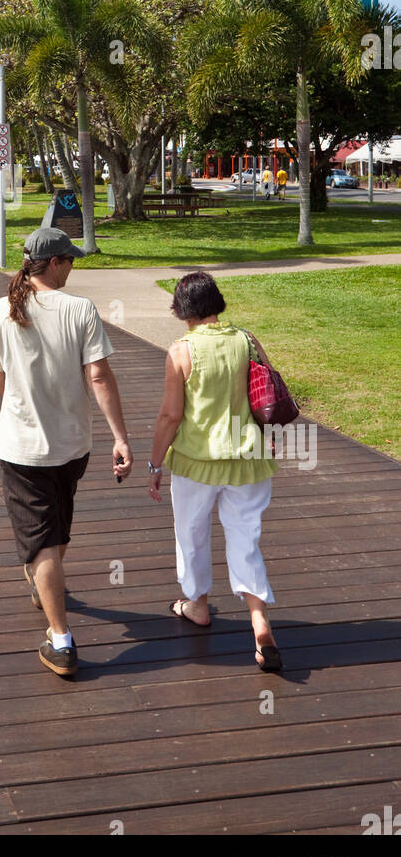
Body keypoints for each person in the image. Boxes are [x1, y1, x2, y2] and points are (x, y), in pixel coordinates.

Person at [0, 227, 134, 678]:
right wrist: (120, 437)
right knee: (56, 531)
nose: (73, 269)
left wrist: (22, 403)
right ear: (56, 263)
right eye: (71, 261)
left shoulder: (1, 309)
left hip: (21, 446)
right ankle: (47, 595)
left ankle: (61, 641)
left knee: (45, 540)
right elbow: (99, 377)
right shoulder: (80, 310)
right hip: (71, 444)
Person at [148, 271, 282, 672]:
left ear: (182, 310)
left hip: (196, 462)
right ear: (217, 303)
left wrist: (155, 463)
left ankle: (197, 604)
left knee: (191, 534)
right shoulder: (248, 340)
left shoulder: (181, 351)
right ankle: (259, 622)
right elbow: (268, 390)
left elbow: (171, 416)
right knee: (246, 540)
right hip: (249, 461)